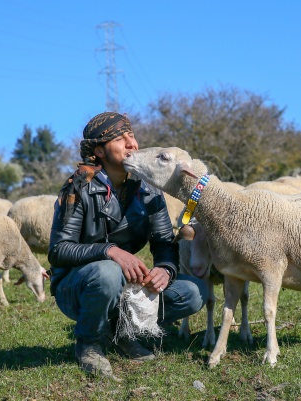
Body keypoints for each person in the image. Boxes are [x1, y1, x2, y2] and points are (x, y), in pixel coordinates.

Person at [48, 111, 208, 378]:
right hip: (77, 286)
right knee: (107, 271)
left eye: (131, 136)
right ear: (99, 150)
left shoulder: (148, 189)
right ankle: (88, 344)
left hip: (124, 284)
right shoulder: (78, 187)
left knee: (194, 291)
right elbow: (58, 251)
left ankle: (122, 334)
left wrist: (166, 270)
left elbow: (164, 245)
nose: (132, 144)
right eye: (120, 139)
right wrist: (109, 251)